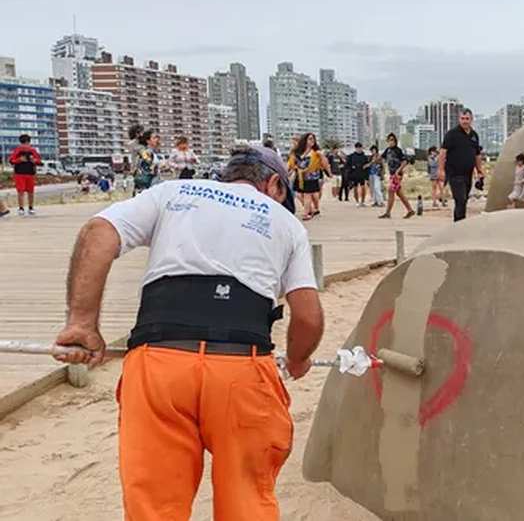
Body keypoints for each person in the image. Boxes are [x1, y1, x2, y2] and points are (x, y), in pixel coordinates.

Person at [53, 146, 323, 520]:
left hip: (160, 360)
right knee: (248, 498)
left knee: (155, 506)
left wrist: (82, 324)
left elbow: (98, 233)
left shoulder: (172, 193)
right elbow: (307, 317)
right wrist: (298, 359)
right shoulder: (286, 223)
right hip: (241, 368)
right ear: (275, 183)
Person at [438, 109, 484, 222]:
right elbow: (443, 152)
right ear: (459, 119)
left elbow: (477, 155)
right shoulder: (452, 134)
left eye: (467, 119)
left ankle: (460, 223)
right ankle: (459, 224)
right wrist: (441, 170)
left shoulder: (474, 136)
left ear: (471, 120)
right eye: (462, 119)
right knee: (460, 199)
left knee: (464, 200)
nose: (465, 121)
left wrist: (480, 170)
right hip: (454, 173)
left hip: (468, 174)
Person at [288, 133, 330, 221]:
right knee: (299, 194)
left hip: (311, 176)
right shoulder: (296, 152)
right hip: (299, 177)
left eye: (313, 139)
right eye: (310, 139)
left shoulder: (316, 152)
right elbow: (291, 163)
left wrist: (329, 173)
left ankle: (306, 213)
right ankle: (311, 209)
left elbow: (325, 164)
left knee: (308, 195)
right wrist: (288, 172)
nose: (312, 141)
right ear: (305, 140)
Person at [379, 133, 414, 219]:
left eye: (392, 140)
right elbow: (381, 158)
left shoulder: (398, 150)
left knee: (391, 191)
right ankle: (410, 210)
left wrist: (398, 171)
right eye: (389, 140)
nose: (391, 142)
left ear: (395, 141)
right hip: (392, 174)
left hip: (397, 175)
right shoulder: (387, 150)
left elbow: (405, 161)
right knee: (399, 193)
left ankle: (388, 213)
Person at [8, 134, 42, 216]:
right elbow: (11, 160)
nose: (25, 145)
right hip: (19, 174)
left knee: (31, 192)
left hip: (30, 173)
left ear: (28, 142)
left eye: (26, 143)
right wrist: (19, 160)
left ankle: (31, 208)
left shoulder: (32, 150)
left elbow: (40, 162)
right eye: (24, 143)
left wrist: (34, 161)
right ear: (21, 143)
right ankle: (21, 208)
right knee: (21, 191)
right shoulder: (17, 150)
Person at [128, 125, 161, 196]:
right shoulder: (137, 145)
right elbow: (146, 158)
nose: (142, 133)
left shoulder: (142, 145)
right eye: (141, 132)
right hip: (141, 172)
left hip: (142, 171)